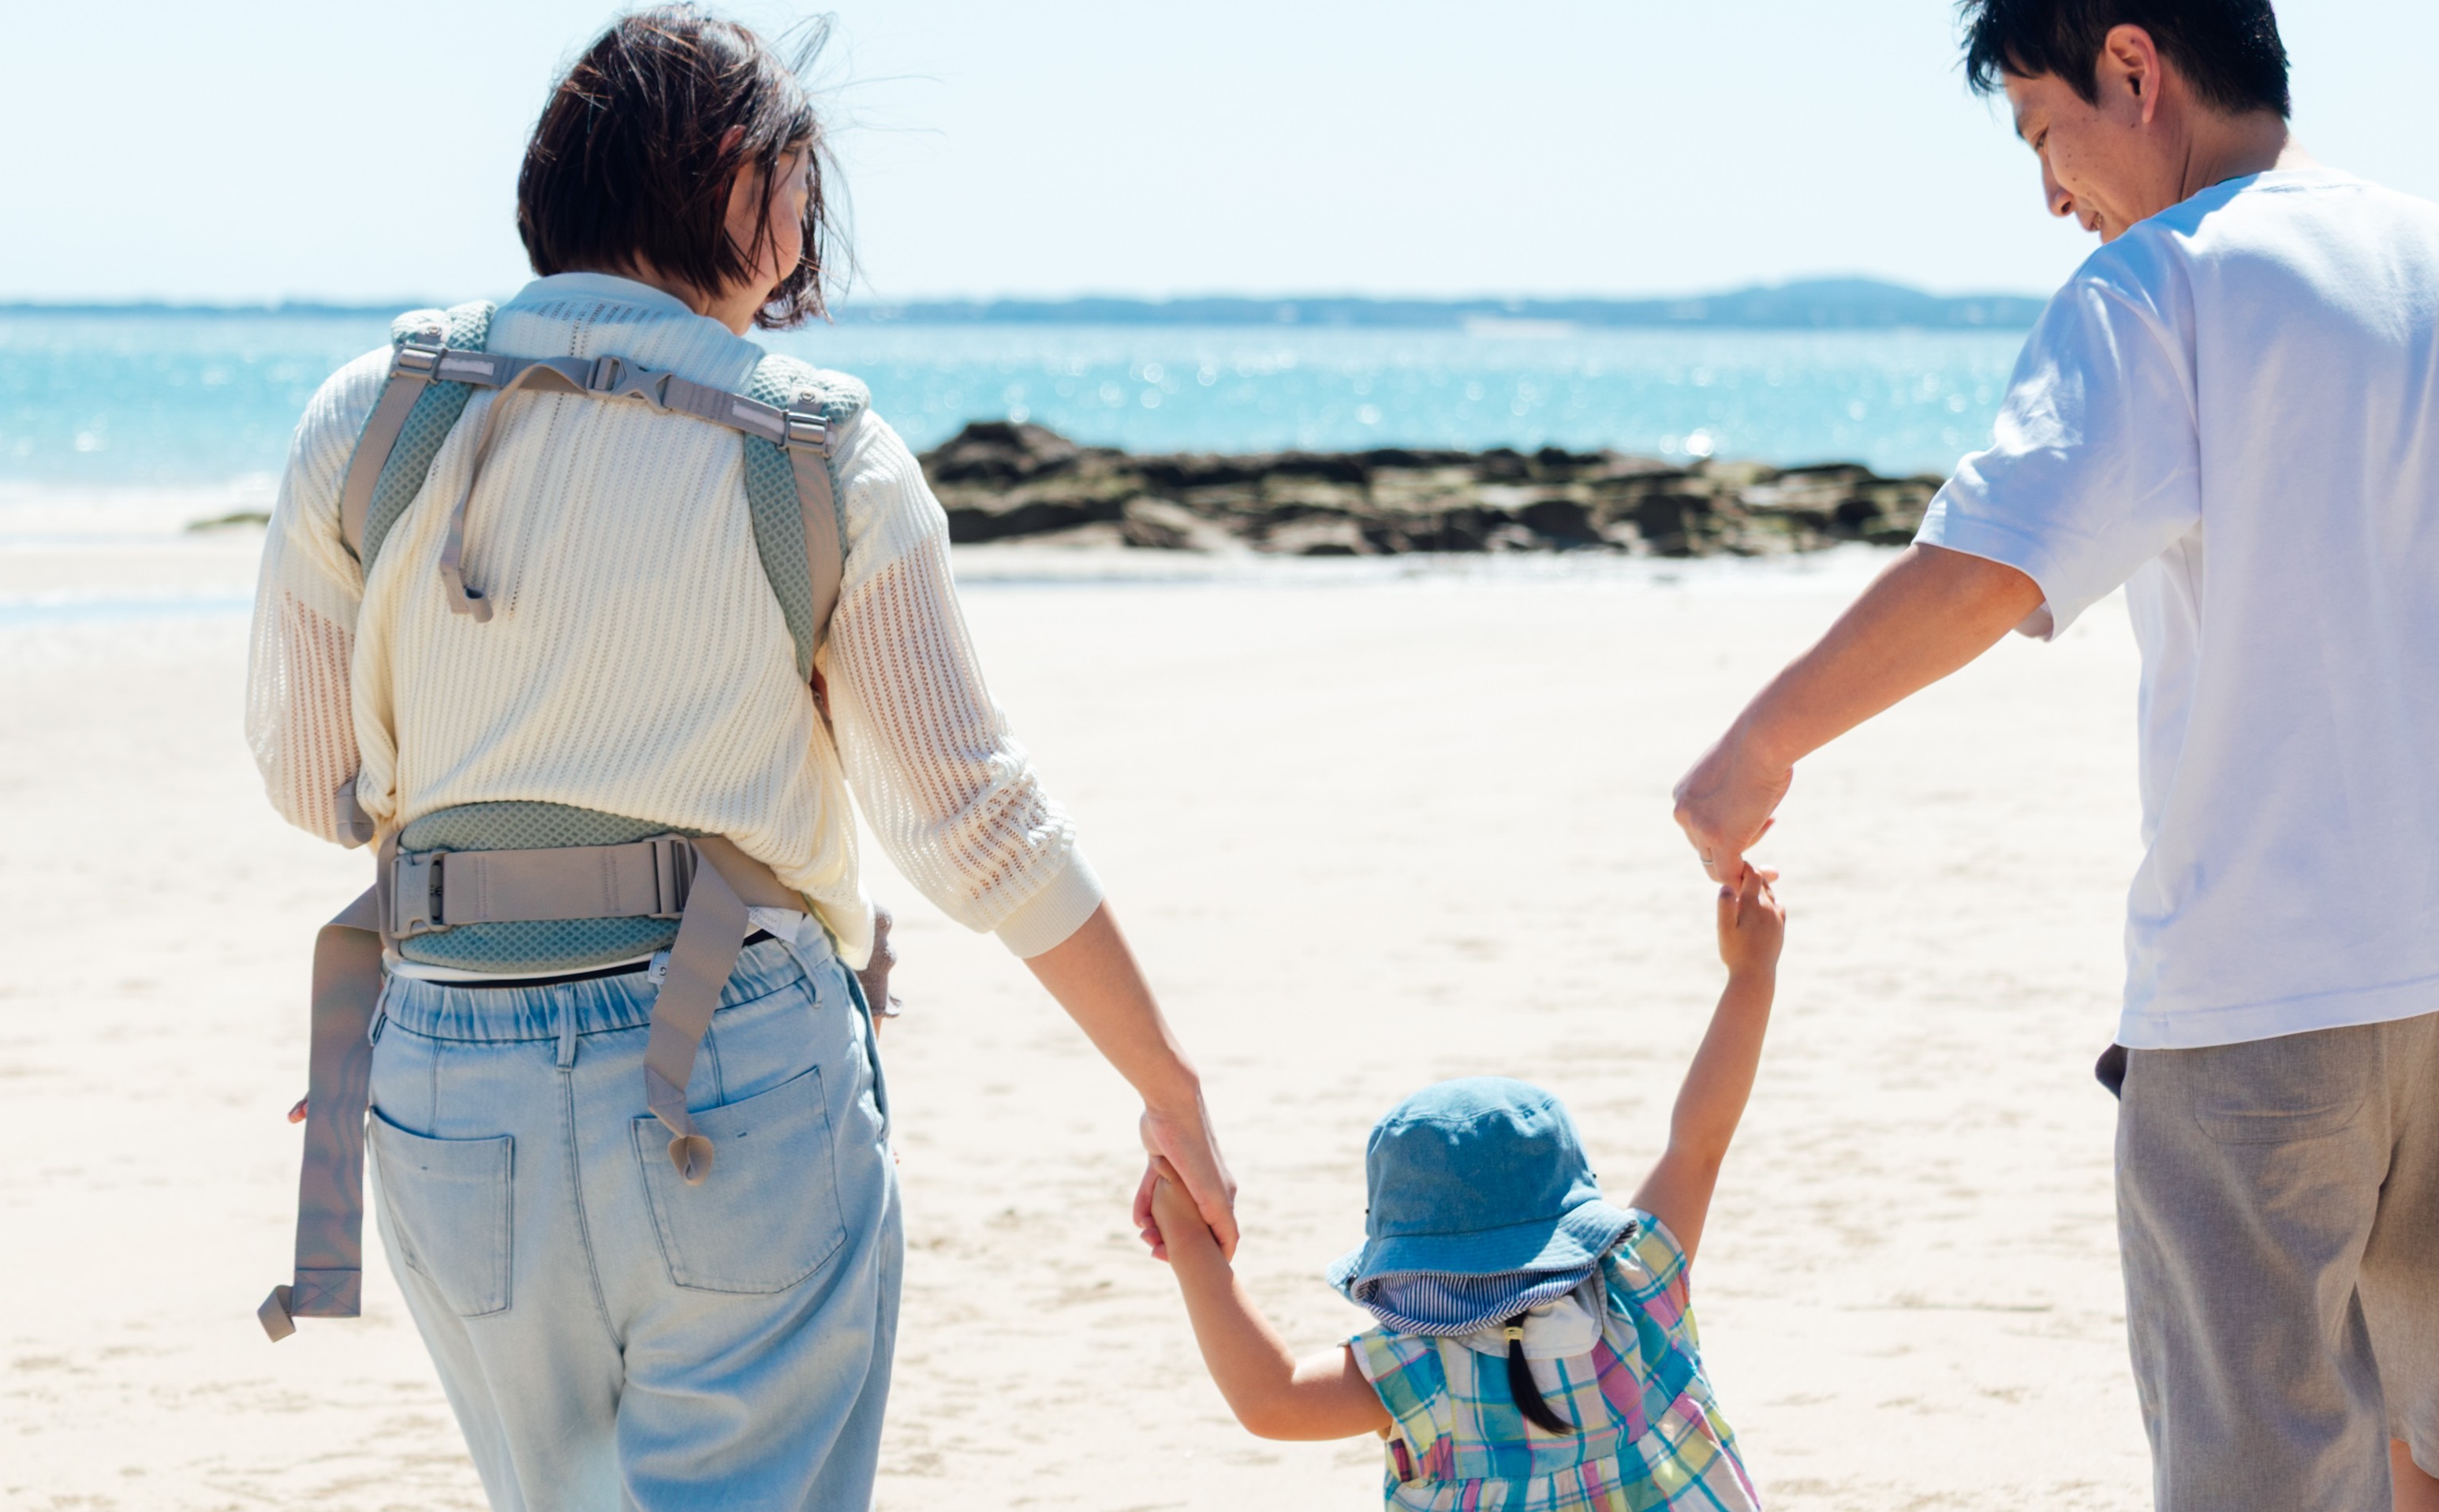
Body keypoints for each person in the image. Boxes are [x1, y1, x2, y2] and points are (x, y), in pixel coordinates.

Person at [242, 10, 1234, 1508]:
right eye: (799, 181)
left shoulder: (372, 412)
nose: (805, 228)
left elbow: (307, 777)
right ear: (735, 185)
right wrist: (1168, 1084)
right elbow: (977, 825)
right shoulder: (812, 447)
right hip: (731, 1059)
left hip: (443, 1057)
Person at [1671, 2, 2439, 1506]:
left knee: (2258, 1473)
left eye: (2041, 130)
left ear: (2134, 69)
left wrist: (1756, 743)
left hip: (2257, 1006)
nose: (2048, 194)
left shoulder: (2163, 283)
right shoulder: (2421, 254)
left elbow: (1991, 562)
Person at [1144, 868, 1784, 1510]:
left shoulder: (1418, 1367)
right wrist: (1750, 973)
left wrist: (1186, 1222)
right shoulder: (1637, 1284)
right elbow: (1697, 1144)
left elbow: (1272, 1398)